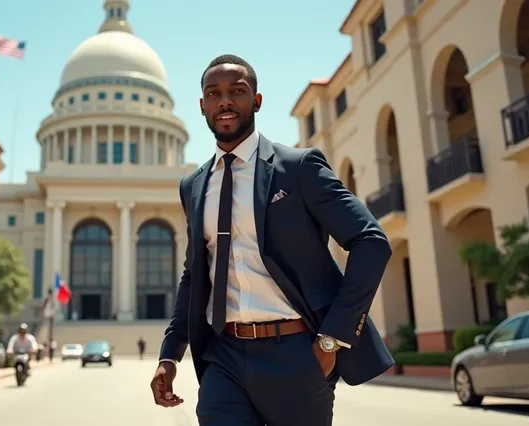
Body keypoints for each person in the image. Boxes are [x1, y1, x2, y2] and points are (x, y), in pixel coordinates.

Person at [149, 54, 394, 426]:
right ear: (202, 106)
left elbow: (371, 241)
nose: (225, 101)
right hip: (223, 357)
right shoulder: (194, 186)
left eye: (237, 91)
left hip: (296, 355)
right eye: (214, 94)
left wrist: (332, 338)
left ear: (257, 101)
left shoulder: (298, 169)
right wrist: (169, 353)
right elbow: (195, 274)